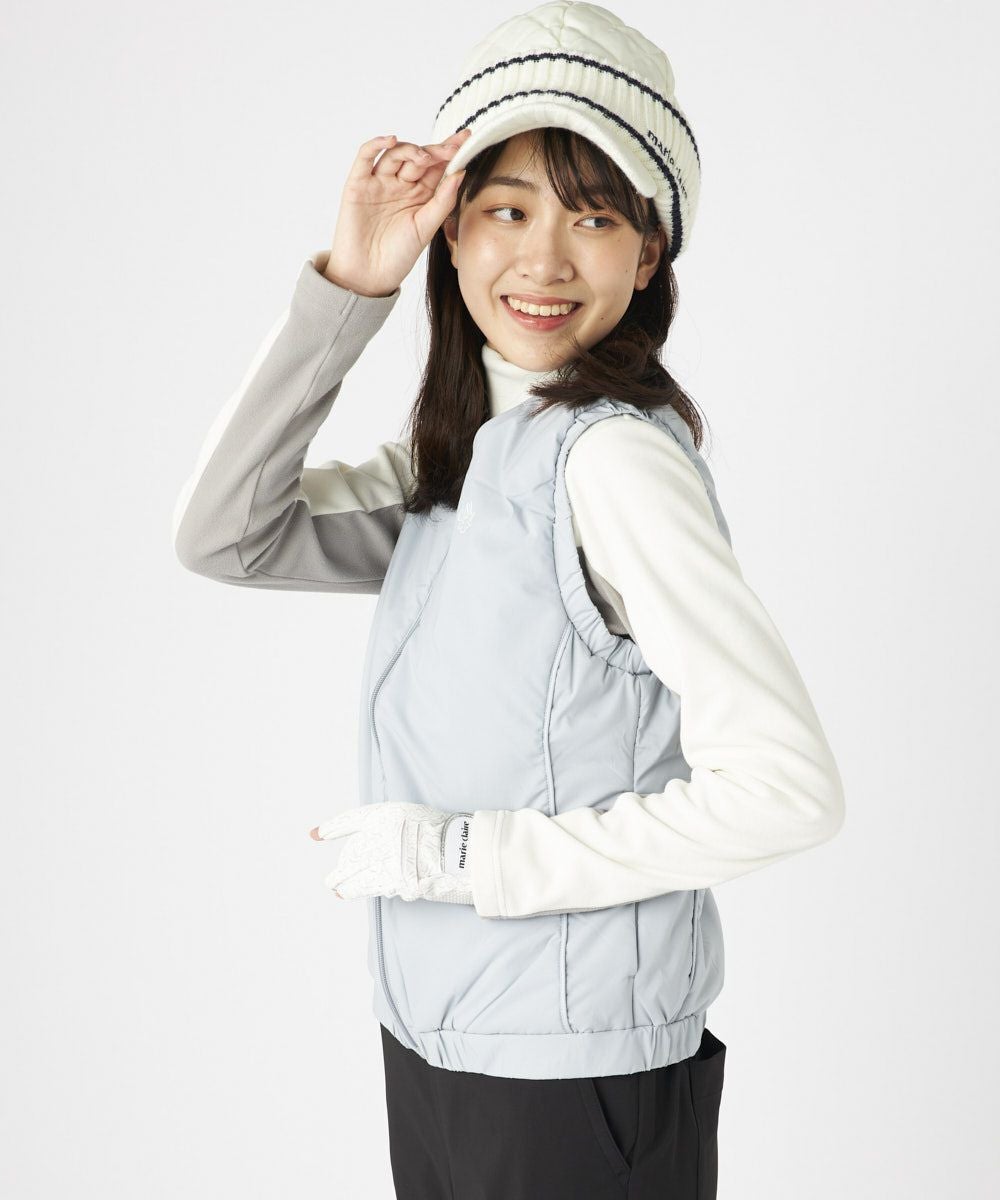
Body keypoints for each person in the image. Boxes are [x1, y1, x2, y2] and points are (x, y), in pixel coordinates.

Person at [172, 3, 845, 1196]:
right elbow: (227, 533)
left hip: (571, 1088)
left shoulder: (610, 462)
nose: (543, 261)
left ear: (648, 255)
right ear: (450, 228)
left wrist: (465, 855)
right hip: (441, 1050)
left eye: (595, 216)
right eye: (507, 209)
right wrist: (351, 288)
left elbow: (786, 790)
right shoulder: (464, 458)